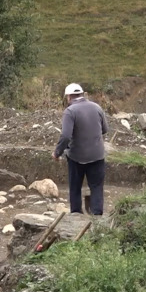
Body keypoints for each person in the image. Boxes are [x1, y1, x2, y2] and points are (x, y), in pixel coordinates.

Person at [52, 83, 108, 215]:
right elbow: (105, 130)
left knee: (75, 188)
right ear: (82, 94)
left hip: (77, 157)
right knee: (96, 187)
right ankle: (97, 219)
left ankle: (76, 216)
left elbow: (65, 136)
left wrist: (57, 153)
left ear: (69, 97)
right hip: (97, 156)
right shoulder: (97, 107)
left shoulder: (70, 111)